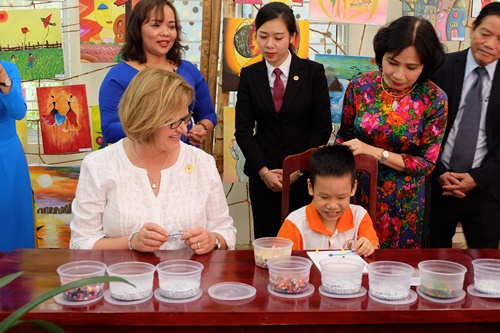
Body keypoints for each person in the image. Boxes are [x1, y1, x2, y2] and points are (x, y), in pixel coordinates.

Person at [70, 68, 236, 253]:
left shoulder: (202, 163)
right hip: (123, 278)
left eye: (185, 119)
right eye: (173, 121)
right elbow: (80, 243)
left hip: (190, 279)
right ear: (145, 118)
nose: (183, 129)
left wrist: (212, 240)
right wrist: (132, 242)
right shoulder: (98, 165)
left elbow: (226, 232)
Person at [335, 16, 448, 248]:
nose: (398, 74)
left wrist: (375, 153)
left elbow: (426, 163)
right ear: (381, 55)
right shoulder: (360, 86)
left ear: (426, 65)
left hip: (404, 203)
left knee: (395, 269)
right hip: (356, 193)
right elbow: (343, 137)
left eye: (411, 67)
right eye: (392, 62)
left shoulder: (434, 99)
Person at [234, 2, 332, 239]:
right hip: (264, 174)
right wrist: (264, 171)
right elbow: (243, 131)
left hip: (304, 177)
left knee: (303, 241)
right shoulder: (250, 75)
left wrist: (296, 169)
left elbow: (322, 128)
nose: (269, 44)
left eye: (278, 37)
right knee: (267, 241)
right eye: (263, 36)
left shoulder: (313, 73)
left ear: (292, 37)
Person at [429, 3, 500, 249]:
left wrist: (475, 179)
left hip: (485, 187)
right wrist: (438, 172)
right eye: (485, 33)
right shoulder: (441, 67)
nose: (490, 44)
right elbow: (421, 129)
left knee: (485, 265)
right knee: (431, 257)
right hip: (437, 181)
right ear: (472, 29)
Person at [99, 0, 216, 147]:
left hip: (184, 161)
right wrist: (161, 129)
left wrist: (203, 127)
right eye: (156, 25)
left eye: (171, 26)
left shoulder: (188, 70)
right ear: (137, 29)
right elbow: (110, 130)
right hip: (138, 161)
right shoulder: (118, 76)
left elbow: (208, 115)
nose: (166, 33)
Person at [277, 145, 379, 256]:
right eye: (324, 197)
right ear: (310, 187)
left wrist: (368, 246)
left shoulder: (360, 216)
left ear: (353, 188)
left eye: (341, 197)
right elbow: (282, 262)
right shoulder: (295, 224)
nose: (332, 205)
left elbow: (373, 249)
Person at [0, 61, 36, 251]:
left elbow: (19, 111)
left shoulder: (8, 69)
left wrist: (4, 81)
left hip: (6, 157)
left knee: (11, 222)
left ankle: (14, 278)